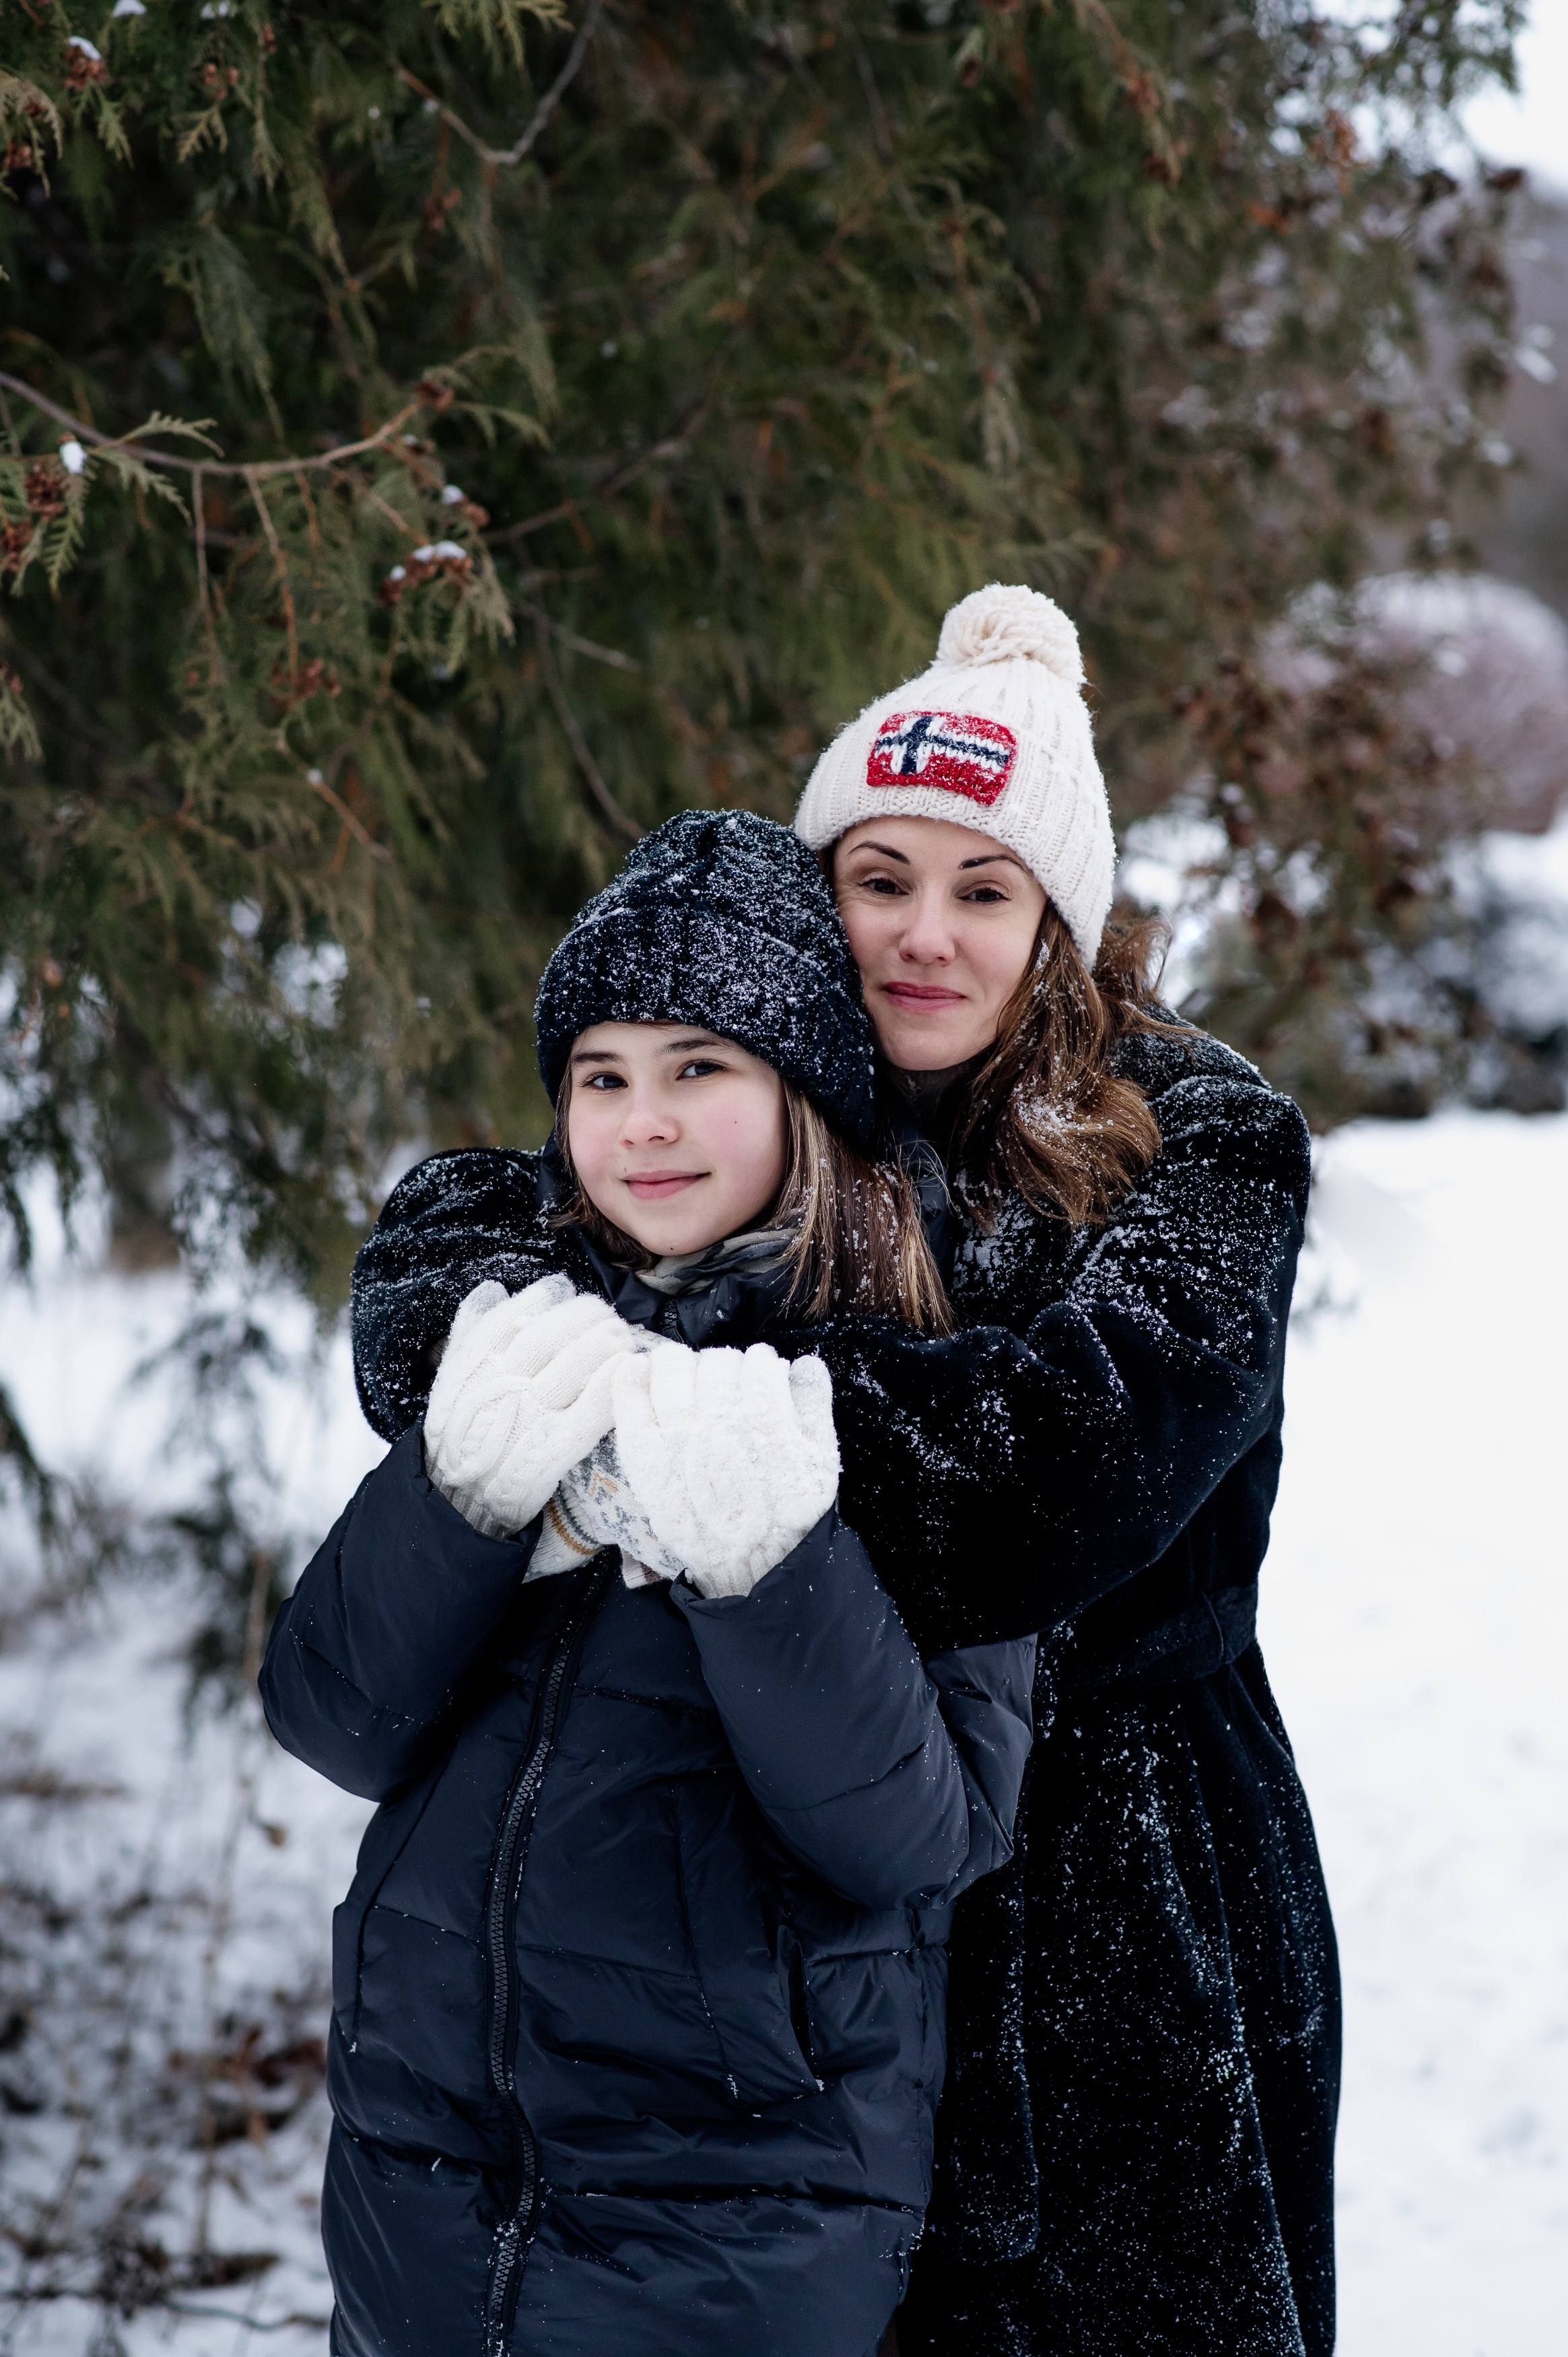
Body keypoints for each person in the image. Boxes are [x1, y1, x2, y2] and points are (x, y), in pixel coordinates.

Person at [351, 586, 1340, 2356]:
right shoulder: (773, 1103)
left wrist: (674, 1412)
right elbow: (457, 1251)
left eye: (984, 889)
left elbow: (1043, 1480)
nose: (923, 936)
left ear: (1064, 919)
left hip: (1116, 1889)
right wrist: (565, 1390)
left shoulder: (1201, 1145)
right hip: (803, 1882)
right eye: (879, 878)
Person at [260, 811, 1035, 2357]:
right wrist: (462, 1493)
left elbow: (917, 1833)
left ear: (802, 1094)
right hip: (422, 2168)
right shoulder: (519, 1347)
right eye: (601, 1076)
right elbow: (334, 1718)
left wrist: (764, 1560)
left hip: (738, 2203)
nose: (643, 1122)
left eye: (700, 1068)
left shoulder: (916, 1395)